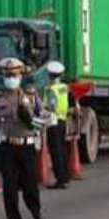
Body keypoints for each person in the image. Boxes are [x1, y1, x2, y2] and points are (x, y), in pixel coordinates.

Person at [0, 58, 44, 219]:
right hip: (8, 148)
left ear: (20, 75)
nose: (11, 77)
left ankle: (36, 214)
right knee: (9, 191)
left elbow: (46, 119)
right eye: (7, 75)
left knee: (30, 189)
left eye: (14, 74)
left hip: (27, 147)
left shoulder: (32, 97)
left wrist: (31, 119)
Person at [44, 61, 70, 189]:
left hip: (53, 121)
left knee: (55, 151)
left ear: (50, 75)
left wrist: (44, 108)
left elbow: (51, 106)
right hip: (63, 119)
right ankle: (65, 176)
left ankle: (60, 180)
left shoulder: (51, 90)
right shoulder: (64, 87)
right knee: (63, 149)